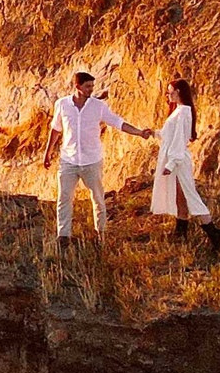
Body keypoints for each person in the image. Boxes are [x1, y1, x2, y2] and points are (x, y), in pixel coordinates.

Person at [51, 69, 148, 244]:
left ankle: (100, 234)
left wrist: (139, 132)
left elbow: (118, 122)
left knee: (98, 198)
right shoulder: (62, 104)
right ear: (77, 86)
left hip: (92, 161)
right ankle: (63, 236)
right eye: (88, 86)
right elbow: (56, 129)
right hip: (68, 160)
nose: (91, 89)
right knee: (64, 198)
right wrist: (47, 153)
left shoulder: (98, 106)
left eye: (92, 86)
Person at [149, 76, 219, 243]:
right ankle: (181, 232)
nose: (168, 95)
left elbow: (179, 139)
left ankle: (214, 233)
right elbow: (169, 135)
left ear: (178, 92)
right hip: (176, 158)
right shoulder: (179, 110)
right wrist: (153, 133)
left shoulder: (183, 112)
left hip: (178, 160)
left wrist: (171, 163)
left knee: (189, 195)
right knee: (179, 196)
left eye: (170, 92)